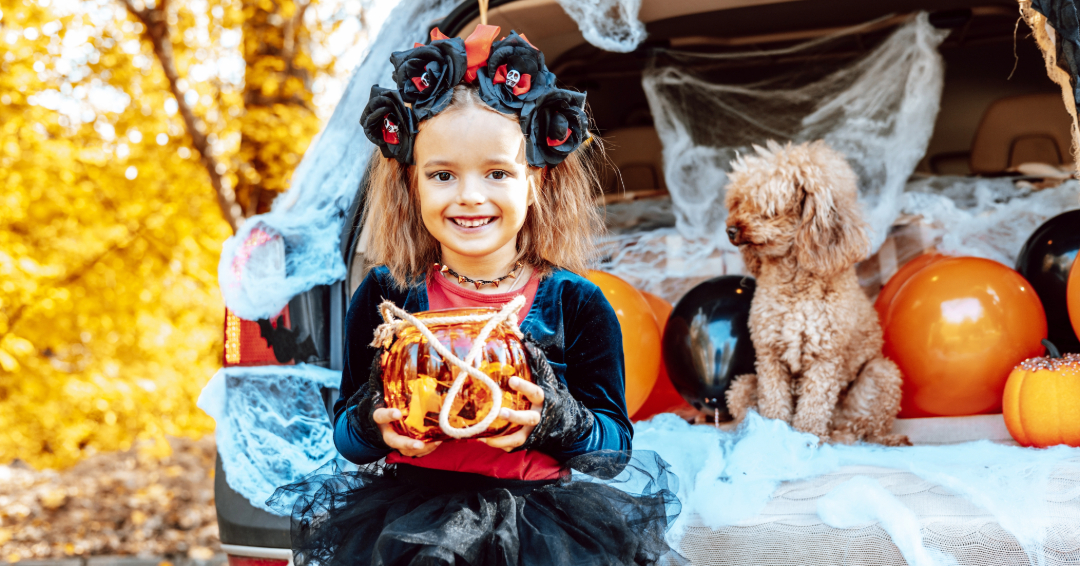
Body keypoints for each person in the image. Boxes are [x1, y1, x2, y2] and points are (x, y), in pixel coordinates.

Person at [269, 24, 681, 566]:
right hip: (407, 528)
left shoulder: (576, 302)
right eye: (442, 174)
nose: (469, 196)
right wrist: (377, 423)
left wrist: (556, 419)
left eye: (496, 173)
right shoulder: (386, 295)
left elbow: (612, 450)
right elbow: (347, 432)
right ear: (411, 182)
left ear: (535, 182)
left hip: (546, 529)